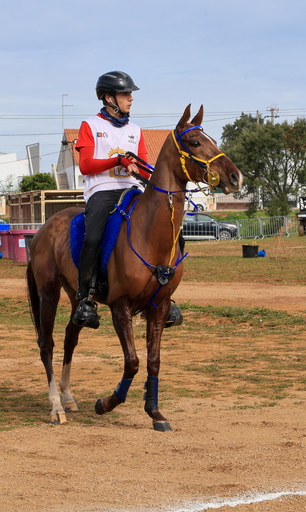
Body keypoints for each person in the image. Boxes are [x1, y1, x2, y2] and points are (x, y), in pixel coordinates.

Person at [72, 71, 183, 329]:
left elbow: (144, 168)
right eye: (126, 94)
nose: (131, 99)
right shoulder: (90, 126)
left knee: (169, 227)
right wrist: (118, 160)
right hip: (102, 190)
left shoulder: (135, 130)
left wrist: (163, 176)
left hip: (132, 190)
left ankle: (164, 293)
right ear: (109, 98)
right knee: (93, 236)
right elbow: (86, 166)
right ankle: (86, 297)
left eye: (131, 94)